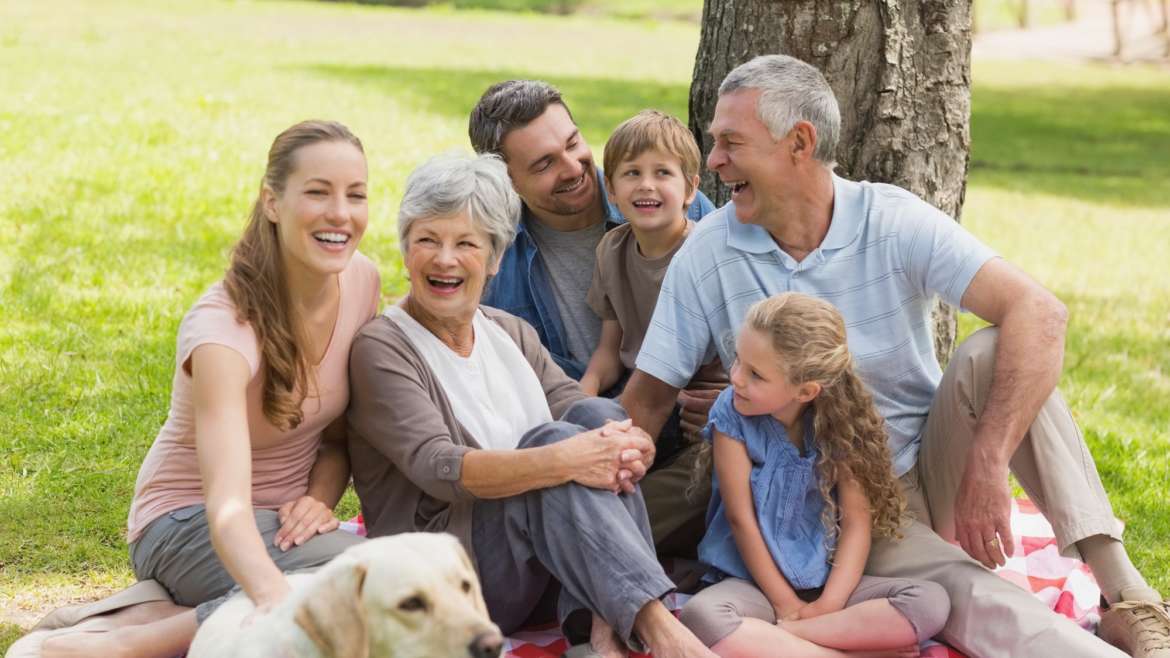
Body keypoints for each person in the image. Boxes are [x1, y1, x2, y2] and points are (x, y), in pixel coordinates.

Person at [620, 54, 1168, 658]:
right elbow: (646, 401)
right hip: (835, 501)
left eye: (730, 143)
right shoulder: (707, 253)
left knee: (999, 346)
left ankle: (1131, 599)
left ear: (799, 142)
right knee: (967, 594)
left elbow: (1042, 314)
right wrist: (596, 494)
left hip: (930, 461)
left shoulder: (890, 217)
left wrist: (987, 465)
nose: (715, 160)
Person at [10, 120, 380, 658]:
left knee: (372, 583)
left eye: (356, 194)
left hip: (281, 526)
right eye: (318, 192)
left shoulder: (362, 280)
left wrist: (318, 500)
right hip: (183, 520)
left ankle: (150, 614)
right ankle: (125, 646)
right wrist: (276, 601)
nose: (340, 214)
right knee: (361, 585)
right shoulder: (223, 330)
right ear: (272, 202)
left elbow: (337, 442)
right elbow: (226, 507)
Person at [346, 152, 717, 658]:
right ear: (406, 248)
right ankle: (657, 627)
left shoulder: (508, 331)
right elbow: (439, 468)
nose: (444, 259)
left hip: (540, 566)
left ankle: (604, 624)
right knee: (556, 446)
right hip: (446, 577)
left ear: (495, 258)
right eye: (427, 240)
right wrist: (565, 459)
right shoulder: (382, 348)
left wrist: (628, 444)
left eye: (466, 244)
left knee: (595, 418)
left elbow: (576, 406)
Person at [469, 82, 722, 556]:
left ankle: (588, 548)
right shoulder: (494, 257)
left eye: (572, 144)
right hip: (586, 437)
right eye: (544, 164)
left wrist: (733, 397)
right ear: (507, 181)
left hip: (682, 432)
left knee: (715, 475)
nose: (574, 169)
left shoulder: (671, 202)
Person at [679, 293, 949, 657]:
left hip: (824, 584)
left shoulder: (841, 422)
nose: (737, 378)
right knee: (702, 617)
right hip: (753, 584)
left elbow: (856, 521)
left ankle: (790, 640)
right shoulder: (732, 413)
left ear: (806, 391)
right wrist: (784, 602)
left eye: (756, 374)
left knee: (929, 602)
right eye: (739, 361)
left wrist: (827, 606)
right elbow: (740, 519)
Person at [579, 109, 727, 558]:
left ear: (691, 188)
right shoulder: (612, 249)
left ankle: (620, 546)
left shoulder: (709, 252)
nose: (646, 185)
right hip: (637, 402)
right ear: (612, 189)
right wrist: (577, 402)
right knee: (583, 444)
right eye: (631, 173)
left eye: (662, 172)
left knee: (670, 497)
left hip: (698, 414)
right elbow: (609, 350)